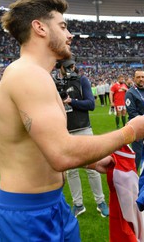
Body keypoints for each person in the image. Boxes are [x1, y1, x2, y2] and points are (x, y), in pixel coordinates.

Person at [0, 0, 144, 241]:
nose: (70, 35)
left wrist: (90, 161)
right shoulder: (27, 74)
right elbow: (61, 153)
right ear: (39, 27)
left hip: (52, 205)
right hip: (25, 215)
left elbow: (41, 144)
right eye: (63, 26)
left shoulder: (37, 75)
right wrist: (130, 131)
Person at [57, 59, 109, 218]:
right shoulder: (55, 83)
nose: (71, 68)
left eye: (71, 66)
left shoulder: (82, 80)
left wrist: (71, 101)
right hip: (65, 132)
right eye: (67, 66)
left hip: (83, 129)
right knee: (71, 171)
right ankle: (78, 204)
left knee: (92, 169)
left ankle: (100, 202)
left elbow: (91, 104)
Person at [125, 70, 144, 169]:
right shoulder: (130, 93)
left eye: (143, 77)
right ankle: (135, 179)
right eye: (138, 77)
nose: (141, 79)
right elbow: (132, 113)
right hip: (138, 129)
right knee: (138, 155)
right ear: (134, 79)